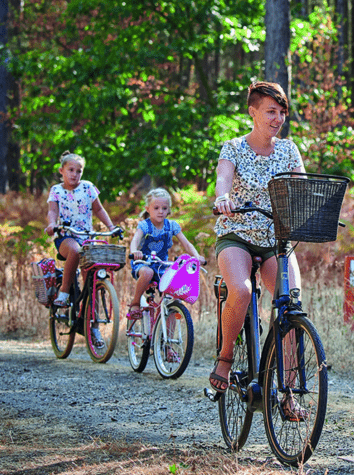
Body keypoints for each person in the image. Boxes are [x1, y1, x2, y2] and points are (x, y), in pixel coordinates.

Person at [209, 81, 306, 407]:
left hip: (275, 239)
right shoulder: (233, 147)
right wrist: (222, 197)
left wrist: (309, 207)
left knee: (291, 302)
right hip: (237, 234)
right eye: (270, 111)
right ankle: (225, 357)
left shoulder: (289, 149)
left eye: (282, 112)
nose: (277, 118)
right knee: (242, 290)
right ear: (253, 112)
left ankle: (288, 391)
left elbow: (302, 186)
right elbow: (223, 178)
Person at [44, 151, 121, 347]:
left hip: (88, 237)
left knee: (94, 280)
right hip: (65, 237)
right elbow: (52, 211)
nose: (74, 174)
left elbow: (99, 209)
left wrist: (112, 228)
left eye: (79, 171)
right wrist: (52, 224)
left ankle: (92, 327)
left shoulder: (88, 188)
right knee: (75, 251)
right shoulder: (56, 191)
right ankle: (63, 293)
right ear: (62, 171)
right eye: (70, 170)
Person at [127, 188, 206, 319]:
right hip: (143, 263)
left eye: (164, 208)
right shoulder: (145, 226)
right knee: (147, 273)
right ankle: (135, 303)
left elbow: (186, 244)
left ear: (168, 210)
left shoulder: (171, 226)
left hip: (161, 265)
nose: (160, 211)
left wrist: (196, 256)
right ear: (148, 209)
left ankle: (166, 330)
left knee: (174, 293)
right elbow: (135, 240)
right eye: (156, 208)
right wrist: (135, 251)